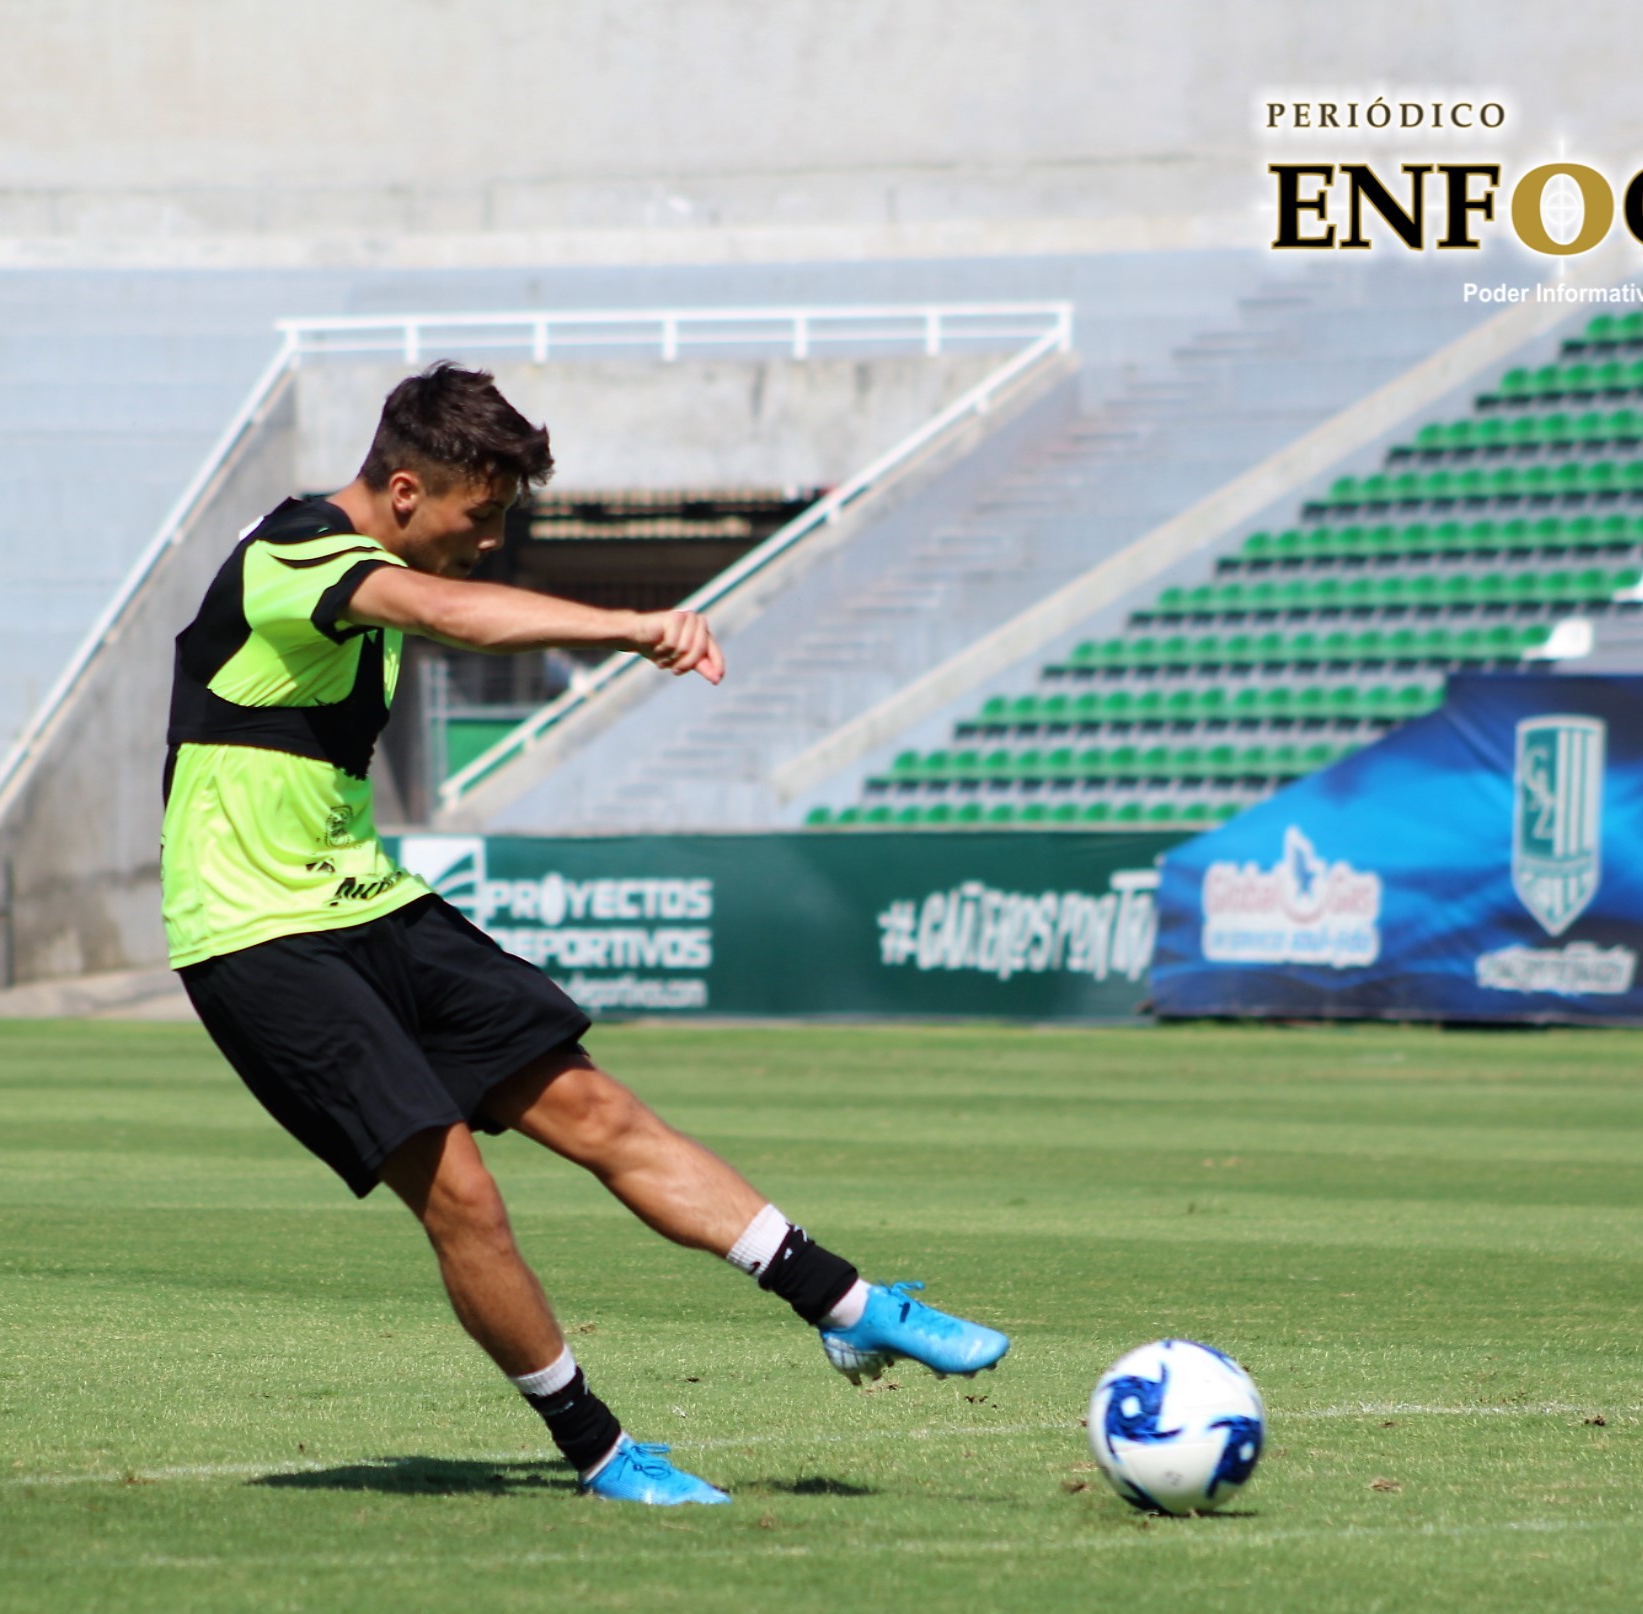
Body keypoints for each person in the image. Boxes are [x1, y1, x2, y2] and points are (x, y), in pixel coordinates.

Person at [159, 362, 1009, 1504]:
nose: (490, 539)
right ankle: (600, 1450)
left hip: (362, 897)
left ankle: (848, 1307)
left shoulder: (380, 552)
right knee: (460, 1191)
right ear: (403, 491)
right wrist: (629, 626)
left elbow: (442, 598)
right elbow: (451, 614)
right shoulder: (294, 556)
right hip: (253, 935)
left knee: (598, 1108)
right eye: (481, 513)